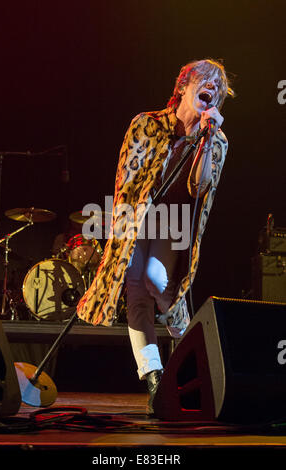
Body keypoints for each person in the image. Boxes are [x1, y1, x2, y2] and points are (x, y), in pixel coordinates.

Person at [77, 58, 234, 414]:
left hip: (174, 221)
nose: (214, 89)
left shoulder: (217, 139)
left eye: (219, 89)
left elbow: (199, 188)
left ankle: (196, 362)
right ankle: (154, 378)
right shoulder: (146, 124)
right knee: (136, 294)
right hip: (137, 218)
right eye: (206, 81)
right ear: (184, 86)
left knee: (158, 284)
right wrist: (124, 230)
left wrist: (206, 141)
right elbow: (125, 179)